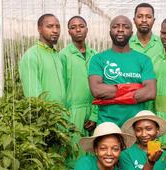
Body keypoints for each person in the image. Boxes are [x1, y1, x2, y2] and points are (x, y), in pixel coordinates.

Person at [88, 15, 156, 127]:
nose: (120, 29)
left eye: (125, 27)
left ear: (131, 32)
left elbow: (150, 92)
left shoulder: (144, 60)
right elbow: (97, 90)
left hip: (136, 126)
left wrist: (113, 93)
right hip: (107, 125)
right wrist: (136, 88)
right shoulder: (98, 59)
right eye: (116, 26)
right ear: (110, 32)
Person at [60, 16, 98, 169]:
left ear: (87, 29)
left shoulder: (95, 55)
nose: (78, 29)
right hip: (72, 111)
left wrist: (95, 114)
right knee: (75, 151)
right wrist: (65, 116)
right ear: (69, 31)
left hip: (93, 108)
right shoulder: (63, 56)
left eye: (81, 26)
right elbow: (61, 87)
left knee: (94, 150)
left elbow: (100, 86)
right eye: (73, 27)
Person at [19, 13, 65, 106]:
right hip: (47, 117)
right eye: (50, 26)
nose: (55, 30)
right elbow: (33, 96)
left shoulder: (57, 55)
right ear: (39, 29)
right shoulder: (31, 56)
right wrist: (46, 116)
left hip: (63, 116)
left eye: (58, 27)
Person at [130, 3, 163, 111]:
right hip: (132, 103)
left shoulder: (163, 45)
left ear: (154, 20)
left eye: (148, 17)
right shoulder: (126, 45)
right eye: (140, 17)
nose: (144, 20)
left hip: (158, 105)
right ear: (134, 20)